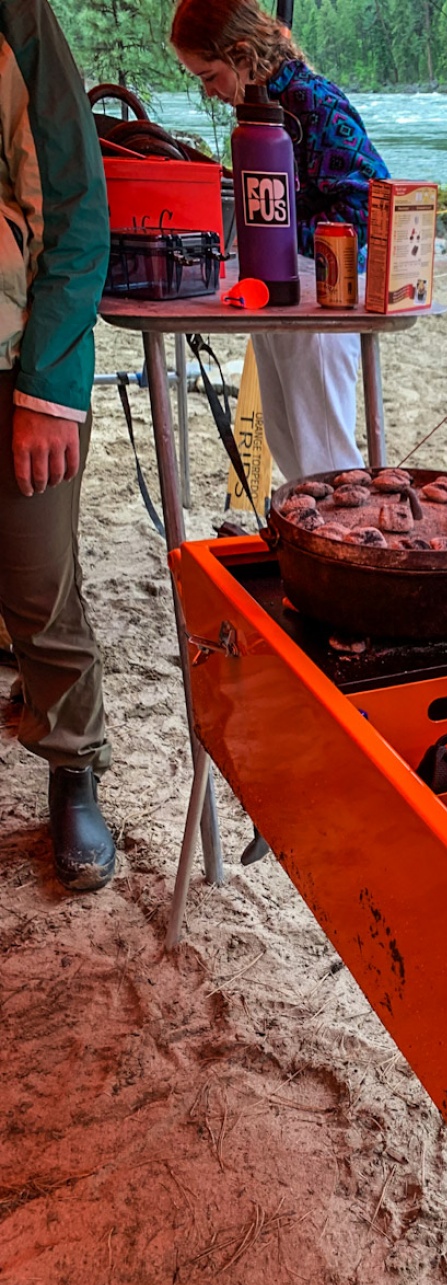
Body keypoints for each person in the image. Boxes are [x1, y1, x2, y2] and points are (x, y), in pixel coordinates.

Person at [171, 0, 389, 483]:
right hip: (275, 288)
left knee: (327, 456)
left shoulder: (313, 101)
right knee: (287, 444)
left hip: (323, 299)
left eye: (209, 76)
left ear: (243, 54)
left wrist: (283, 238)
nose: (209, 92)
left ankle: (343, 549)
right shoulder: (259, 110)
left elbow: (369, 205)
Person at [0, 0, 116, 891]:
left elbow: (79, 209)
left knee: (36, 578)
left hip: (14, 358)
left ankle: (71, 761)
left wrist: (48, 391)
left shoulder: (21, 20)